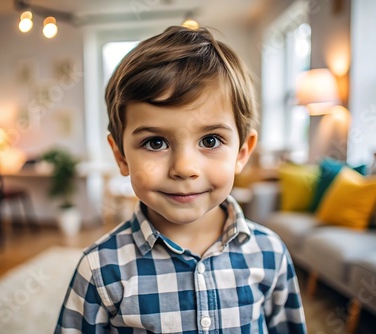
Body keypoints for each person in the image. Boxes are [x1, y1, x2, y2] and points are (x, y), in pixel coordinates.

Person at [55, 25, 307, 334]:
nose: (185, 168)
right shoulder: (100, 269)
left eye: (211, 140)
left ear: (242, 153)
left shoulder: (270, 254)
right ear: (121, 156)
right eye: (156, 142)